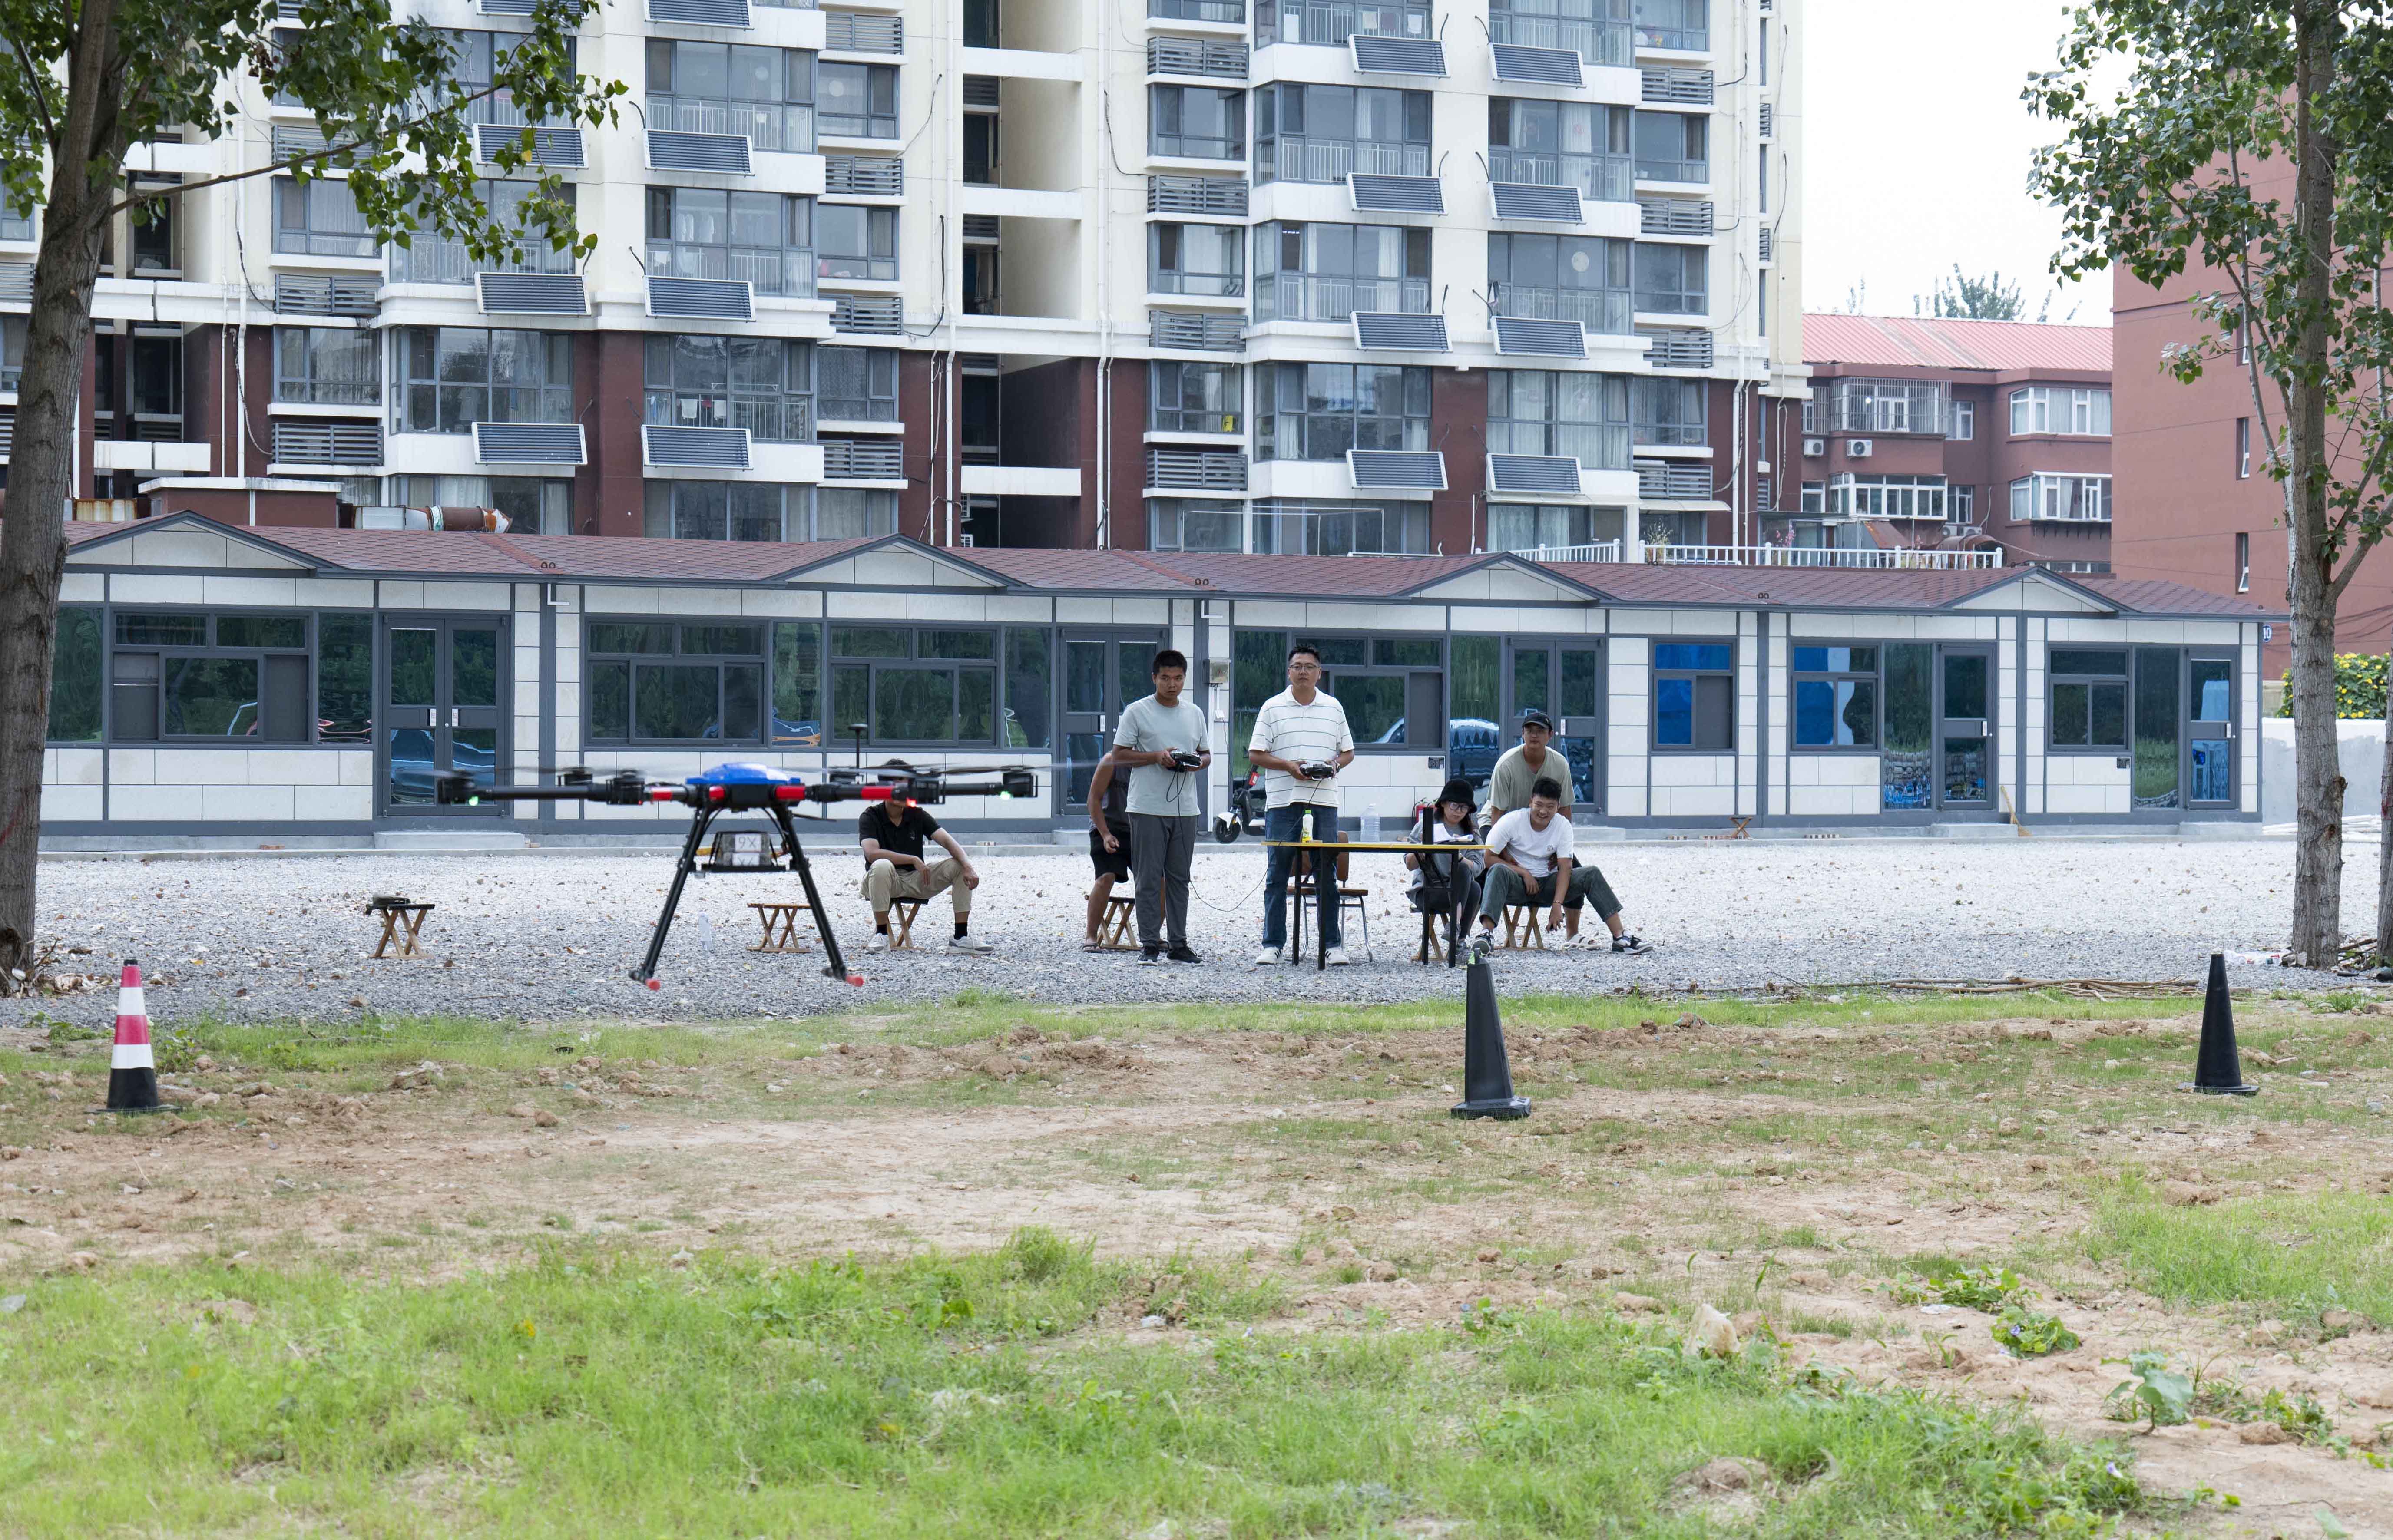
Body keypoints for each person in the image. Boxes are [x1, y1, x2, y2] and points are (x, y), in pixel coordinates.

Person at [1247, 643, 1355, 965]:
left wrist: (1334, 765)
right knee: (1277, 873)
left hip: (1324, 800)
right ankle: (1272, 944)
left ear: (1319, 673)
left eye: (1309, 667)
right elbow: (1256, 754)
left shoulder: (1334, 707)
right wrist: (1288, 766)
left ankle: (1332, 945)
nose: (1303, 672)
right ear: (1288, 672)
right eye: (1297, 666)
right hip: (1283, 801)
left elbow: (1348, 753)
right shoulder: (1272, 707)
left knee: (1327, 873)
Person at [1468, 777, 1646, 955]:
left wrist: (1557, 904)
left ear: (1558, 806)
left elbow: (1565, 868)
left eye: (1550, 806)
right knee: (1498, 870)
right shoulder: (1511, 821)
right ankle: (1486, 935)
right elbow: (1489, 859)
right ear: (1531, 802)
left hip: (1549, 885)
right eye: (1539, 805)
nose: (1543, 811)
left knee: (1591, 873)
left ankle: (1620, 937)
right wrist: (1523, 873)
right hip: (1516, 885)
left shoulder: (1563, 826)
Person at [1111, 649, 1211, 964]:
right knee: (1149, 878)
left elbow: (1206, 754)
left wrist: (1195, 763)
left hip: (1186, 808)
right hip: (1146, 807)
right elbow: (1118, 756)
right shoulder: (1137, 711)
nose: (1172, 685)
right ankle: (1150, 944)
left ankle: (1179, 944)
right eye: (1165, 678)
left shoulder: (1194, 713)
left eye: (1178, 679)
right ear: (1154, 678)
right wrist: (1156, 757)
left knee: (1180, 878)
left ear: (1185, 679)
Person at [858, 797, 990, 954]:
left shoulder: (917, 814)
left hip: (916, 880)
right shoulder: (870, 816)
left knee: (960, 866)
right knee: (882, 865)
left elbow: (948, 841)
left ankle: (961, 938)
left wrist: (968, 867)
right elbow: (872, 854)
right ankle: (881, 936)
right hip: (881, 882)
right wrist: (913, 859)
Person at [1406, 776, 1484, 957]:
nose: (1459, 812)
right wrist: (1424, 849)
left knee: (1471, 882)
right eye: (1454, 806)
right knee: (1471, 888)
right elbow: (1409, 864)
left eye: (1464, 808)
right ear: (1443, 804)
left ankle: (1456, 935)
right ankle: (1458, 941)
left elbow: (1478, 866)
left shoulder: (1472, 832)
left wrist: (1459, 857)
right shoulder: (1426, 825)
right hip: (1429, 890)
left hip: (1458, 889)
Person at [1481, 709, 1573, 824]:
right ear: (1523, 734)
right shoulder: (1506, 765)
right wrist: (1498, 836)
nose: (1534, 735)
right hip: (1499, 821)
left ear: (1550, 735)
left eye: (1540, 731)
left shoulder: (1560, 764)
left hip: (1537, 823)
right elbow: (1497, 811)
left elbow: (1565, 807)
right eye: (1529, 731)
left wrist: (1566, 834)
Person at [1083, 750, 1133, 952]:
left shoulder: (1152, 763)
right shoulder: (1111, 761)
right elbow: (1093, 800)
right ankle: (1091, 935)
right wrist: (1105, 835)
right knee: (1106, 876)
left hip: (1136, 829)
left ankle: (1154, 937)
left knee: (1160, 879)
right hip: (1106, 825)